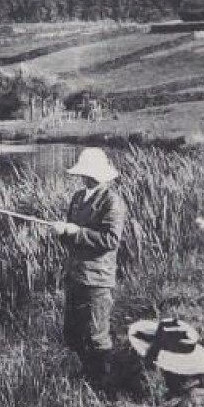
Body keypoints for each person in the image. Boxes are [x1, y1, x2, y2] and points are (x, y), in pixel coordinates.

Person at [51, 147, 128, 394]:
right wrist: (62, 232)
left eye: (89, 173)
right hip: (75, 275)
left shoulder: (112, 201)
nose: (86, 178)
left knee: (97, 337)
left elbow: (110, 240)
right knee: (73, 334)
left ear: (100, 174)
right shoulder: (77, 198)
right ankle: (89, 376)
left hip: (97, 279)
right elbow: (71, 239)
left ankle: (106, 388)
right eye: (84, 174)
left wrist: (76, 232)